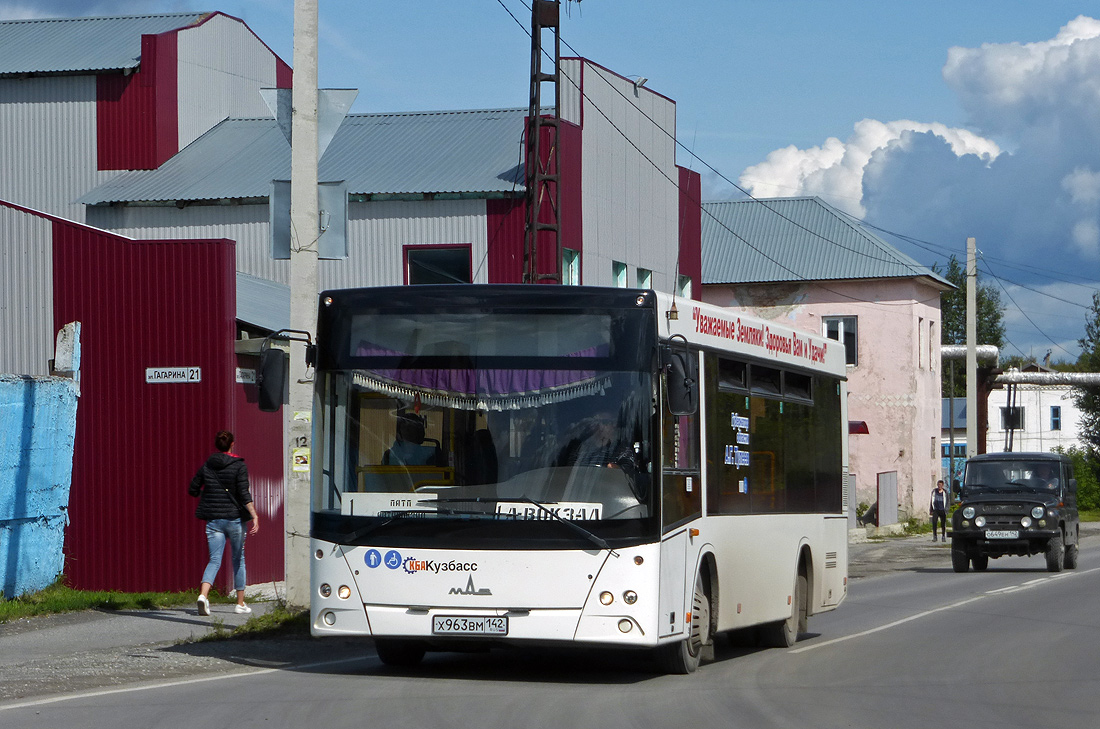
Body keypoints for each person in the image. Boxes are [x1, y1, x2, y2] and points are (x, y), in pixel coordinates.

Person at [189, 430, 259, 616]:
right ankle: (240, 603)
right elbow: (244, 494)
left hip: (213, 520)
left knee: (214, 560)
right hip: (234, 519)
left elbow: (193, 488)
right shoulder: (239, 466)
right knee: (238, 559)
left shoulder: (207, 466)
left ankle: (203, 596)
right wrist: (254, 516)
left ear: (217, 445)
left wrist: (208, 495)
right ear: (232, 444)